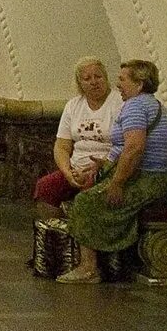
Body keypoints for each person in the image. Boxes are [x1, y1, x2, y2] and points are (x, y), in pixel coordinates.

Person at [60, 60, 167, 283]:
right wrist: (105, 163)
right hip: (158, 178)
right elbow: (123, 146)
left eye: (123, 79)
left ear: (140, 84)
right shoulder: (147, 104)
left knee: (86, 201)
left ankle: (89, 268)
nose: (118, 84)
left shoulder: (136, 106)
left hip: (152, 180)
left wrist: (117, 183)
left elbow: (134, 149)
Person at [33, 58, 123, 219]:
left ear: (106, 78)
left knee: (87, 193)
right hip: (76, 167)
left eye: (98, 76)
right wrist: (67, 172)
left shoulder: (120, 103)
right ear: (80, 83)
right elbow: (62, 146)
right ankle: (59, 234)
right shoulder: (73, 105)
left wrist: (103, 166)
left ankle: (83, 236)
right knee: (45, 187)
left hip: (105, 168)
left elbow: (126, 144)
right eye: (87, 79)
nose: (94, 82)